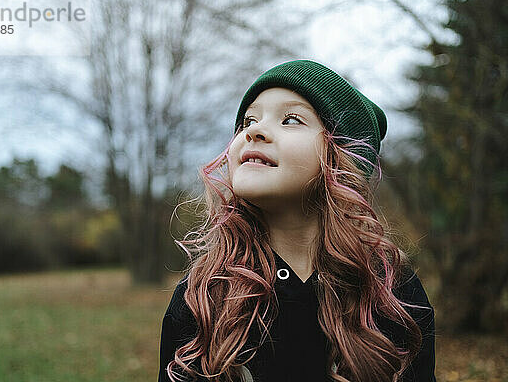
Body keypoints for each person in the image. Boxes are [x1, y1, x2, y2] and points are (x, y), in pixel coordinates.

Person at [158, 60, 436, 382]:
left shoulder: (393, 292)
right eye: (249, 120)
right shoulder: (204, 295)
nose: (254, 131)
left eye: (290, 119)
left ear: (340, 159)